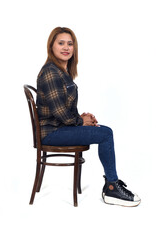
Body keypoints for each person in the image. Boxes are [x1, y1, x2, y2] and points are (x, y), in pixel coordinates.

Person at [36, 27, 141, 207]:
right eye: (61, 43)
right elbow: (60, 114)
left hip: (59, 128)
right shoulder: (51, 72)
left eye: (70, 44)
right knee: (105, 134)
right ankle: (111, 187)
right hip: (53, 133)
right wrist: (80, 121)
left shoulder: (61, 72)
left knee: (104, 131)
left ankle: (111, 185)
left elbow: (62, 109)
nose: (66, 47)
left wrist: (81, 117)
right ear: (51, 46)